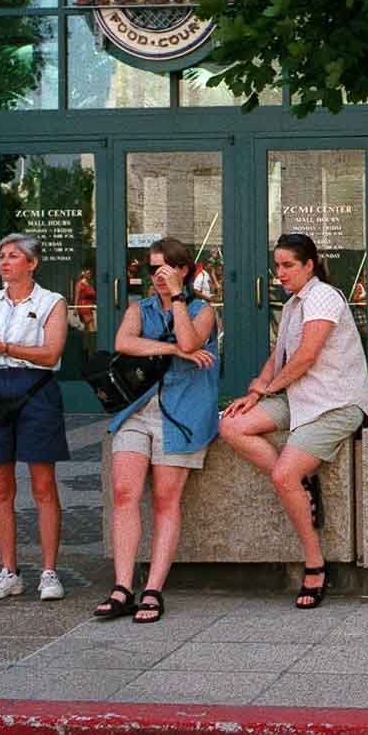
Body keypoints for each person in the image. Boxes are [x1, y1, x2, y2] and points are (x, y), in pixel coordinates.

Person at [218, 234, 368, 609]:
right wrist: (256, 390)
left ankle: (315, 563)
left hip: (336, 404)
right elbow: (279, 356)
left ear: (309, 265)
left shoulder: (323, 295)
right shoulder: (294, 305)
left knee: (282, 476)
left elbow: (306, 356)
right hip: (297, 400)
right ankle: (304, 486)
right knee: (231, 424)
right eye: (277, 266)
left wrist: (267, 391)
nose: (280, 273)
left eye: (288, 265)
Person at [93, 238, 219, 624]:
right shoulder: (139, 308)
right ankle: (122, 586)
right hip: (137, 410)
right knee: (124, 491)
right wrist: (173, 352)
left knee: (166, 498)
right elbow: (123, 343)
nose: (157, 276)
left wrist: (179, 301)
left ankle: (153, 589)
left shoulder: (203, 309)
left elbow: (190, 339)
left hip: (182, 413)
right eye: (152, 269)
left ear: (183, 269)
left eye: (165, 268)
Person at [0, 233, 71, 602]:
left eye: (13, 256)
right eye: (1, 256)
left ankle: (49, 571)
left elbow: (51, 353)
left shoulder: (52, 302)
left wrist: (5, 347)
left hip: (35, 389)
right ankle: (9, 570)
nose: (5, 262)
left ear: (32, 263)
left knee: (43, 483)